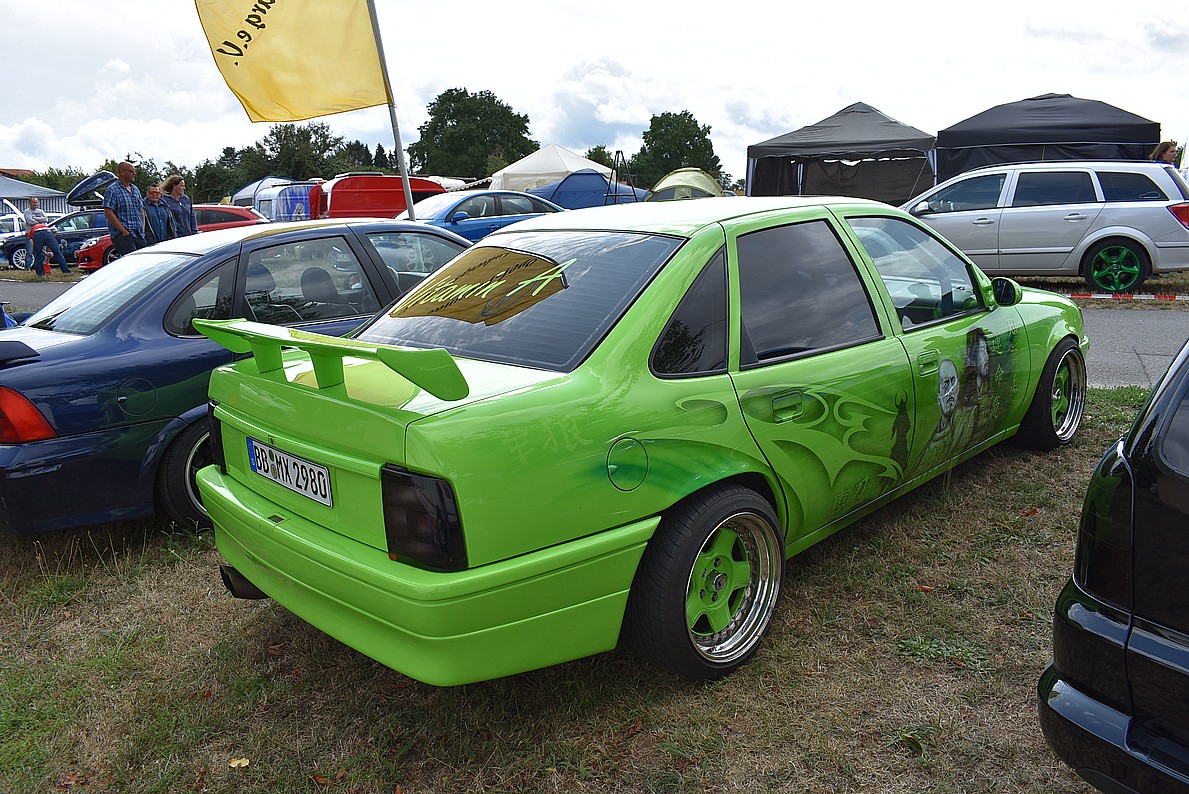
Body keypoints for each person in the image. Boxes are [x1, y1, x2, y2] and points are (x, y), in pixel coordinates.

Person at [103, 161, 148, 257]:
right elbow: (108, 212)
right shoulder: (112, 190)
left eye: (134, 171)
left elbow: (141, 210)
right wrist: (124, 231)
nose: (134, 173)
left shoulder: (135, 189)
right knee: (131, 261)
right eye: (131, 171)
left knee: (144, 260)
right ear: (122, 172)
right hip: (123, 236)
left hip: (138, 234)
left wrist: (142, 228)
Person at [21, 197, 69, 276]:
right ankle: (66, 271)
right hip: (46, 231)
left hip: (38, 233)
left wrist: (35, 218)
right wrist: (40, 220)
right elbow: (30, 221)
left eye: (36, 202)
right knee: (57, 251)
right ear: (29, 203)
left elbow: (45, 219)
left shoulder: (40, 211)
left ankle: (40, 273)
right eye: (33, 202)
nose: (35, 204)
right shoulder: (27, 212)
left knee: (38, 254)